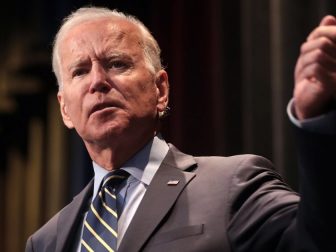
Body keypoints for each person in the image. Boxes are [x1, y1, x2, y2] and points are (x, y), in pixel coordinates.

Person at [25, 6, 336, 252]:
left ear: (161, 90)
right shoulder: (46, 240)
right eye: (80, 71)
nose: (97, 82)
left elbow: (318, 241)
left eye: (117, 63)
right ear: (65, 108)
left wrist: (316, 120)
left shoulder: (232, 186)